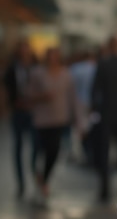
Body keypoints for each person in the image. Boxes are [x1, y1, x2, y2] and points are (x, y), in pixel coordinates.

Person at [29, 47, 82, 202]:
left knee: (54, 151)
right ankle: (38, 177)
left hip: (59, 118)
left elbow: (72, 97)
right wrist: (42, 97)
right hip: (41, 119)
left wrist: (77, 118)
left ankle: (44, 179)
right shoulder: (37, 73)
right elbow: (29, 94)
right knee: (39, 151)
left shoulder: (66, 74)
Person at [90, 36, 117, 201]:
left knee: (105, 151)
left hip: (107, 114)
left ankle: (105, 187)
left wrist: (94, 110)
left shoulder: (103, 64)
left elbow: (95, 90)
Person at [3, 40, 38, 198]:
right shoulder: (12, 68)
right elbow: (7, 87)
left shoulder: (36, 67)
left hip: (33, 111)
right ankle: (21, 182)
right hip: (18, 111)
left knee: (36, 147)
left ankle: (37, 177)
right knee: (18, 146)